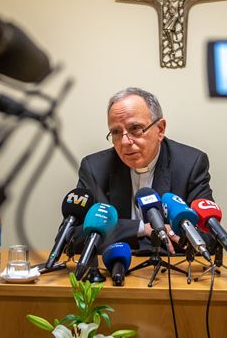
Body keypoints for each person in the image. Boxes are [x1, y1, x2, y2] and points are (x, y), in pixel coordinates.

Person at [76, 87, 214, 252]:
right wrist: (142, 228)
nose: (125, 141)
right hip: (113, 270)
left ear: (160, 130)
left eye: (135, 128)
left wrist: (121, 232)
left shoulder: (190, 164)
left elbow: (208, 237)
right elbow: (73, 237)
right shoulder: (95, 168)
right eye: (116, 132)